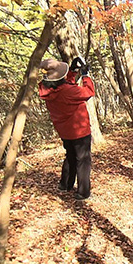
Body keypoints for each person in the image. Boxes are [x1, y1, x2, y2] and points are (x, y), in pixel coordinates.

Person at [39, 57, 95, 201]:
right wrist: (86, 76)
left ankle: (65, 184)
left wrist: (72, 71)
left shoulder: (48, 90)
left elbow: (66, 85)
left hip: (65, 131)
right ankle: (83, 192)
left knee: (70, 157)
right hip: (80, 131)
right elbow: (88, 92)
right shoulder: (68, 91)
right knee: (83, 160)